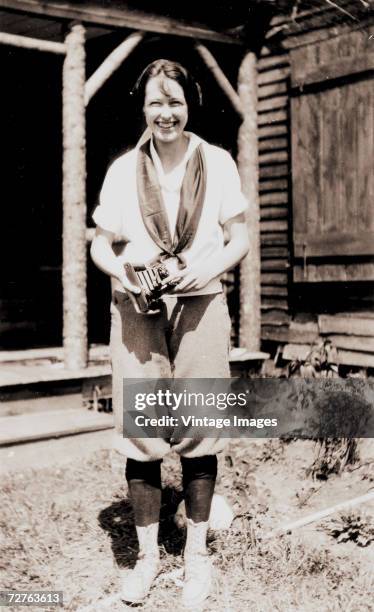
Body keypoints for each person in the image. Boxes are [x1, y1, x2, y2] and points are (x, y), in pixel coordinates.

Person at [90, 59, 249, 607]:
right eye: (156, 103)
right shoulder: (120, 170)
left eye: (175, 102)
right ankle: (148, 559)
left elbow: (239, 237)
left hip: (202, 305)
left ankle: (197, 558)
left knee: (200, 424)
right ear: (143, 108)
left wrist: (207, 271)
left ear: (190, 104)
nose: (166, 114)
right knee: (144, 430)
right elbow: (99, 245)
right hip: (138, 310)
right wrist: (124, 275)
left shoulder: (219, 162)